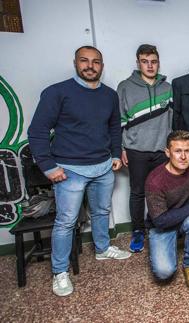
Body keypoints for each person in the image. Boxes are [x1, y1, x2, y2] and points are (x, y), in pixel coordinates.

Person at [27, 46, 130, 297]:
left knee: (101, 211)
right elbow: (37, 131)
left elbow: (114, 127)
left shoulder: (109, 95)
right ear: (75, 63)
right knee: (66, 222)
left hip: (103, 166)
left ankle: (102, 249)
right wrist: (48, 166)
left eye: (96, 62)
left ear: (102, 66)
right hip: (70, 170)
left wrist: (116, 154)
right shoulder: (57, 92)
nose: (90, 66)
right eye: (84, 61)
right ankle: (59, 271)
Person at [117, 44, 173, 253]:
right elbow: (119, 120)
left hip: (161, 149)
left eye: (153, 61)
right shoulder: (125, 86)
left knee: (160, 191)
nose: (150, 66)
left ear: (158, 63)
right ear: (138, 63)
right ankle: (138, 231)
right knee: (138, 192)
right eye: (145, 61)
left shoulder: (167, 88)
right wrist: (121, 147)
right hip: (136, 149)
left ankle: (158, 224)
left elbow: (171, 119)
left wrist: (170, 147)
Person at [145, 131, 189, 289]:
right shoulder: (155, 180)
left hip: (184, 220)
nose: (183, 156)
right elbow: (160, 220)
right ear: (167, 152)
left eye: (187, 151)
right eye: (178, 151)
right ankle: (166, 246)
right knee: (164, 272)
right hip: (162, 226)